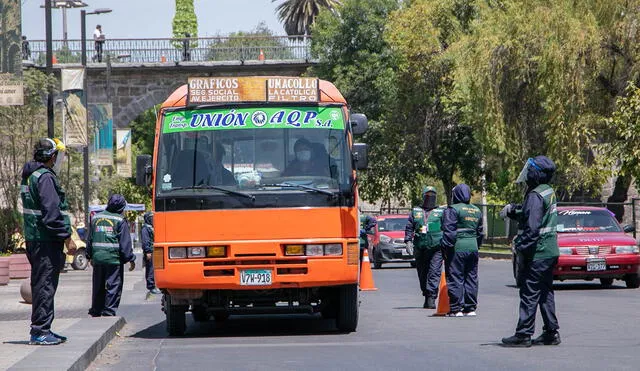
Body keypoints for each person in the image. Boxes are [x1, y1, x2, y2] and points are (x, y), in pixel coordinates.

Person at [500, 156, 561, 347]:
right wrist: (513, 210)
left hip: (538, 251)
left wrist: (520, 247)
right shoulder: (547, 191)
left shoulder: (535, 195)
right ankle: (551, 332)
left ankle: (523, 334)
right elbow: (532, 214)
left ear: (536, 174)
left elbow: (532, 227)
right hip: (550, 251)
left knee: (529, 292)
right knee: (545, 292)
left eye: (530, 170)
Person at [20, 138, 71, 345]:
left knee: (41, 283)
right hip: (46, 240)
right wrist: (67, 237)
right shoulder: (45, 178)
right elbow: (52, 214)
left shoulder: (30, 176)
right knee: (45, 285)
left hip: (35, 239)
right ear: (52, 156)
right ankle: (40, 331)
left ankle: (44, 328)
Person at [86, 194, 136, 317]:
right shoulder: (120, 220)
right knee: (113, 285)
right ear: (121, 207)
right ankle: (109, 311)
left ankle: (96, 310)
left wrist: (89, 256)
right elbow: (125, 243)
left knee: (98, 285)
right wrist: (130, 259)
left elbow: (90, 239)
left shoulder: (96, 218)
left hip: (98, 258)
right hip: (113, 259)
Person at [440, 183, 483, 317]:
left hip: (457, 248)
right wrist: (476, 245)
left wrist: (446, 249)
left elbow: (449, 232)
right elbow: (480, 233)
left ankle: (456, 308)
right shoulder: (476, 210)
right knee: (471, 277)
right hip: (473, 248)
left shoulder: (452, 209)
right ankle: (470, 308)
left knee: (455, 277)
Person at [404, 186, 445, 309]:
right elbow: (409, 227)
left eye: (432, 195)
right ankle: (426, 293)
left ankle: (431, 296)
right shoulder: (415, 211)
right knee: (422, 273)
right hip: (420, 247)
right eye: (427, 195)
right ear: (423, 197)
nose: (429, 198)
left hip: (436, 247)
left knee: (434, 272)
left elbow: (447, 227)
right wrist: (408, 241)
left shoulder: (441, 212)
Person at [141, 212, 160, 296]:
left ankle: (155, 285)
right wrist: (148, 251)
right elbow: (145, 241)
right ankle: (151, 286)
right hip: (150, 252)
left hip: (155, 251)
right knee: (150, 269)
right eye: (151, 218)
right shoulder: (145, 228)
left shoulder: (152, 227)